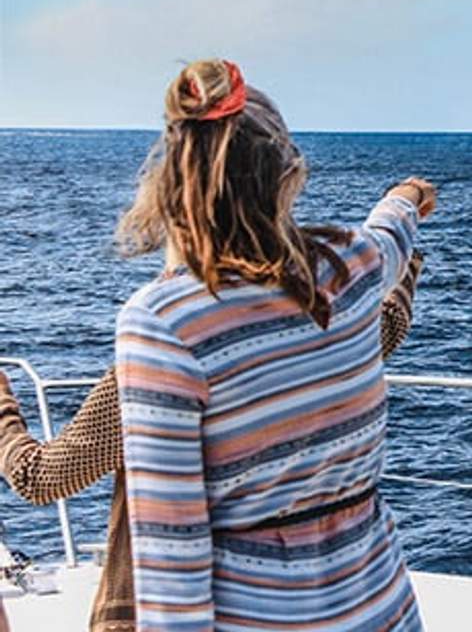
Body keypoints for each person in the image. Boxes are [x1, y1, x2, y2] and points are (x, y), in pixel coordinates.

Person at [83, 59, 429, 630]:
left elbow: (174, 558)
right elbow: (390, 234)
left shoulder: (164, 325)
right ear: (285, 174)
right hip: (381, 607)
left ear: (173, 183)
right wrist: (408, 195)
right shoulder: (352, 265)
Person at [0, 252, 423, 630]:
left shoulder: (164, 359)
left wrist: (3, 408)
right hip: (308, 598)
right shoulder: (320, 338)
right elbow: (388, 322)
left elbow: (43, 477)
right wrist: (403, 251)